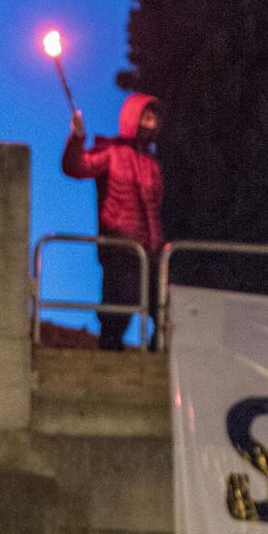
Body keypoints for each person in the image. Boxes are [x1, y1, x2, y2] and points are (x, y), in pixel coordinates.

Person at [62, 93, 164, 350]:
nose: (152, 125)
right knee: (120, 305)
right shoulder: (111, 152)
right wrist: (76, 139)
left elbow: (157, 206)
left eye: (155, 120)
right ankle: (110, 352)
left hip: (150, 249)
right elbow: (76, 167)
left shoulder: (152, 165)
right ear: (134, 118)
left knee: (164, 307)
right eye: (147, 118)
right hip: (119, 245)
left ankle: (157, 357)